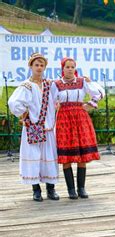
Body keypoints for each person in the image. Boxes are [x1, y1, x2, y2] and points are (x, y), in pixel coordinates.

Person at [8, 53, 59, 202]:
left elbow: (59, 96)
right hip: (32, 128)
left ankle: (51, 189)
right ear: (31, 66)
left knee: (49, 158)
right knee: (34, 158)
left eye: (42, 65)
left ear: (45, 67)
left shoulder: (50, 84)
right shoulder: (26, 86)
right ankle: (36, 190)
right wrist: (24, 113)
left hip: (48, 129)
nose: (39, 67)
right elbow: (13, 102)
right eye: (36, 65)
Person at [52, 57, 104, 199]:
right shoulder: (56, 84)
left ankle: (81, 188)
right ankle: (71, 190)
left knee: (82, 155)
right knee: (66, 156)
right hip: (64, 118)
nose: (70, 69)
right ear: (62, 68)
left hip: (80, 117)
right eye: (67, 67)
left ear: (75, 68)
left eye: (72, 67)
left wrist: (91, 104)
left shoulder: (81, 82)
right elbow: (50, 101)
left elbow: (99, 93)